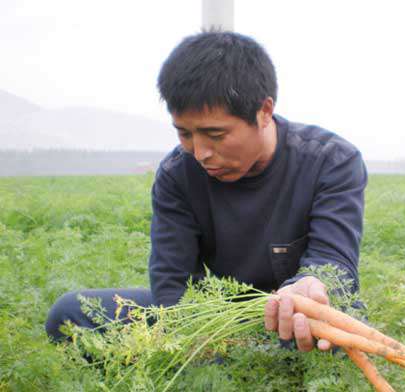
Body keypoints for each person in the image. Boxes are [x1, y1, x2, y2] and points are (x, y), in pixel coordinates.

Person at [45, 30, 367, 353]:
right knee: (72, 313)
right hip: (219, 320)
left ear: (264, 112)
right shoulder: (177, 174)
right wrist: (199, 339)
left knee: (334, 338)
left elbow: (335, 263)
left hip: (301, 319)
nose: (200, 153)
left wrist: (309, 287)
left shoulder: (331, 160)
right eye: (185, 134)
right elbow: (173, 286)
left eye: (215, 134)